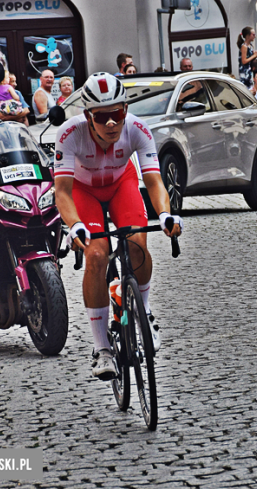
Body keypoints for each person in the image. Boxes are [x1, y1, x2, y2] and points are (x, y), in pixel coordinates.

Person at [54, 73, 182, 379]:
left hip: (121, 185)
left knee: (137, 245)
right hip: (83, 192)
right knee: (96, 256)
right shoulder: (70, 133)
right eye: (102, 117)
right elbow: (62, 192)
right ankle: (102, 349)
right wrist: (74, 226)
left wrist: (165, 214)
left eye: (117, 114)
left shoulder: (137, 128)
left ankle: (145, 312)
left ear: (125, 109)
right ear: (88, 116)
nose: (111, 123)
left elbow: (153, 180)